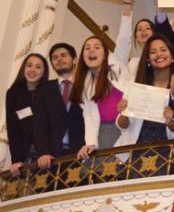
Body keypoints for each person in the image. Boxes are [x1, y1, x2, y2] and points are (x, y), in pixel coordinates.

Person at [69, 34, 130, 160]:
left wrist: (126, 14)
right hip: (102, 133)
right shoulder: (85, 83)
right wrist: (90, 143)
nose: (91, 50)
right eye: (87, 48)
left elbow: (124, 40)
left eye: (97, 47)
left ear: (105, 54)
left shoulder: (118, 70)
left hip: (125, 130)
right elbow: (89, 116)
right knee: (99, 174)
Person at [116, 34, 174, 145]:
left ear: (172, 56)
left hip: (168, 151)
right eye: (153, 52)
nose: (159, 54)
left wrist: (170, 122)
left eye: (163, 50)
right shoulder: (136, 82)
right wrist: (124, 113)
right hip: (135, 148)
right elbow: (123, 126)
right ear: (147, 59)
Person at [33, 43, 84, 171]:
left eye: (63, 55)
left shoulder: (87, 85)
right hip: (50, 157)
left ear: (74, 60)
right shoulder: (44, 88)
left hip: (81, 154)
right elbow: (39, 123)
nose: (59, 59)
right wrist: (42, 152)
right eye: (55, 58)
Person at [6, 53, 49, 176]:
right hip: (25, 153)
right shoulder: (13, 93)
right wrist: (16, 160)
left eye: (38, 67)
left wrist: (45, 152)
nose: (32, 70)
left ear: (44, 73)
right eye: (29, 65)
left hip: (45, 153)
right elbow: (12, 129)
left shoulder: (49, 91)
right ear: (23, 68)